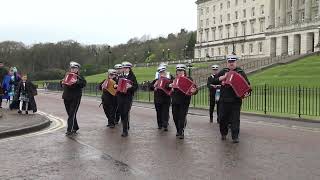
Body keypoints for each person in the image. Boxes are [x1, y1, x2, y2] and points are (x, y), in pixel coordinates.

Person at [213, 55, 250, 143]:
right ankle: (223, 133)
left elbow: (247, 85)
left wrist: (247, 93)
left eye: (233, 62)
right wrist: (222, 78)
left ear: (236, 62)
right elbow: (213, 81)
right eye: (229, 62)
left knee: (235, 119)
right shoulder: (223, 71)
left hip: (236, 100)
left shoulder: (240, 72)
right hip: (224, 100)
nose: (231, 64)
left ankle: (235, 136)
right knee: (222, 118)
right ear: (227, 63)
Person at [170, 64, 198, 139]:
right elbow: (170, 89)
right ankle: (178, 129)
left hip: (184, 101)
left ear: (184, 71)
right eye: (178, 71)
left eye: (181, 71)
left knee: (182, 116)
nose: (179, 72)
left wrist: (194, 91)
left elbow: (195, 88)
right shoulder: (174, 79)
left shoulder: (189, 79)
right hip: (175, 101)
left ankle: (181, 132)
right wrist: (171, 88)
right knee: (175, 117)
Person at [61, 61, 87, 136]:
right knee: (70, 114)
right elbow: (63, 84)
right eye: (72, 68)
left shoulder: (80, 77)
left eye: (74, 68)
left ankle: (70, 129)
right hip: (66, 97)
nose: (73, 69)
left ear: (78, 69)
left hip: (75, 98)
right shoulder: (67, 75)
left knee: (72, 114)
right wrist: (61, 82)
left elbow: (84, 84)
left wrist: (77, 81)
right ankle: (75, 127)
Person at [115, 61, 138, 137]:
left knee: (125, 112)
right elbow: (116, 85)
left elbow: (136, 87)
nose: (124, 69)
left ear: (129, 68)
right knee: (122, 113)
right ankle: (126, 126)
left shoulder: (132, 76)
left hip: (128, 97)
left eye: (126, 68)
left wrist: (130, 87)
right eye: (123, 68)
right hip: (120, 97)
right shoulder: (120, 76)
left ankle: (125, 131)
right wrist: (115, 86)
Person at [150, 66, 173, 131]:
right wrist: (154, 85)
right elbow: (150, 87)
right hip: (157, 99)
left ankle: (165, 125)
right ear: (159, 73)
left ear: (165, 72)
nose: (162, 74)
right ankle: (160, 124)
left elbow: (172, 85)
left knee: (165, 111)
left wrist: (170, 85)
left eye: (163, 72)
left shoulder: (169, 79)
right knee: (159, 112)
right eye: (160, 73)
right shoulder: (156, 80)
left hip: (166, 98)